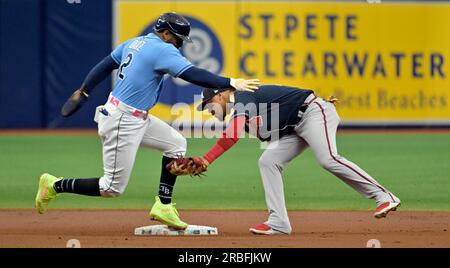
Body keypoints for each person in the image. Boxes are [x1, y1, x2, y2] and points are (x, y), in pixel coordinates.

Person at [34, 12, 259, 230]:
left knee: (176, 143)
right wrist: (230, 81)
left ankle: (163, 205)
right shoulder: (162, 49)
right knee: (111, 188)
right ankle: (54, 185)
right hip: (123, 120)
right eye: (178, 39)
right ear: (166, 34)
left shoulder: (135, 42)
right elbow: (191, 74)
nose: (179, 45)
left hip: (135, 116)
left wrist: (84, 90)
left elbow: (105, 65)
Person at [190, 85, 400, 235]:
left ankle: (384, 196)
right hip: (295, 128)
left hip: (313, 113)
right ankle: (279, 222)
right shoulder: (244, 116)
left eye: (208, 105)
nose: (208, 111)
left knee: (328, 158)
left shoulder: (243, 96)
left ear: (219, 97)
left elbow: (231, 135)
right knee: (268, 161)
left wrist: (206, 159)